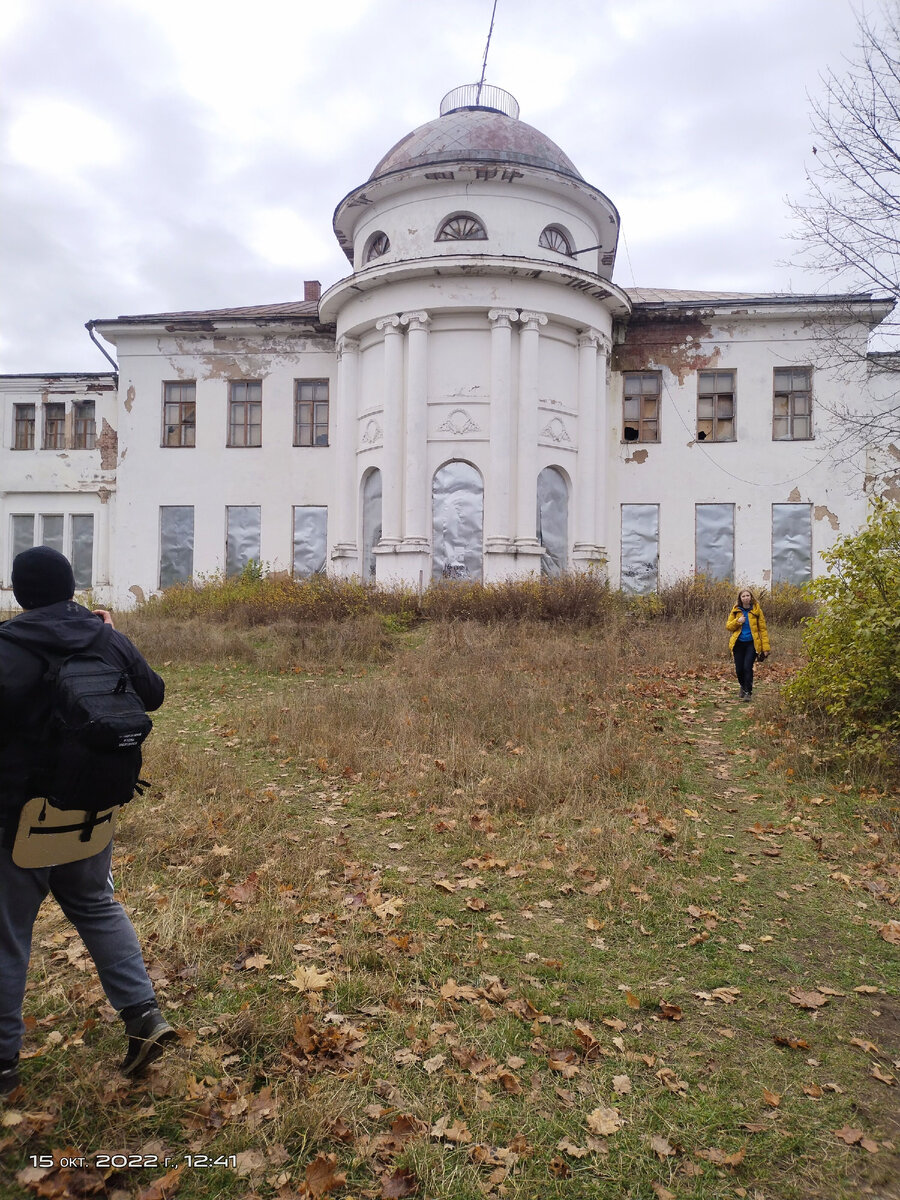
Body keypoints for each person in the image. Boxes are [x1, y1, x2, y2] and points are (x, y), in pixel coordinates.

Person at [0, 546, 176, 1099]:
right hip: (90, 811)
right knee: (97, 905)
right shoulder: (105, 637)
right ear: (72, 585)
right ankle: (144, 1016)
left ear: (18, 593)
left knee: (6, 937)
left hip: (18, 821)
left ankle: (4, 1067)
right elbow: (154, 694)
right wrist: (113, 639)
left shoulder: (7, 648)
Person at [726, 587, 770, 701]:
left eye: (748, 595)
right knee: (739, 669)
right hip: (738, 644)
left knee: (747, 667)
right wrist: (738, 621)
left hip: (752, 644)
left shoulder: (756, 611)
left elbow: (763, 630)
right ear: (740, 598)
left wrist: (765, 648)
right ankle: (743, 686)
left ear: (751, 597)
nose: (746, 598)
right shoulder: (736, 610)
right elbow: (728, 626)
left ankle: (748, 692)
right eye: (743, 596)